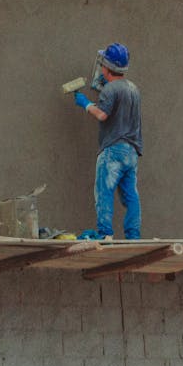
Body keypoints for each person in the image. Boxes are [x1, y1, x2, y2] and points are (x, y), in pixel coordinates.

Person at [71, 43, 142, 240]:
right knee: (130, 196)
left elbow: (102, 115)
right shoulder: (133, 89)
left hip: (113, 149)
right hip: (132, 151)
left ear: (106, 67)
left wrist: (85, 104)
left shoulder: (110, 90)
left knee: (104, 190)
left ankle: (105, 234)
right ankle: (133, 236)